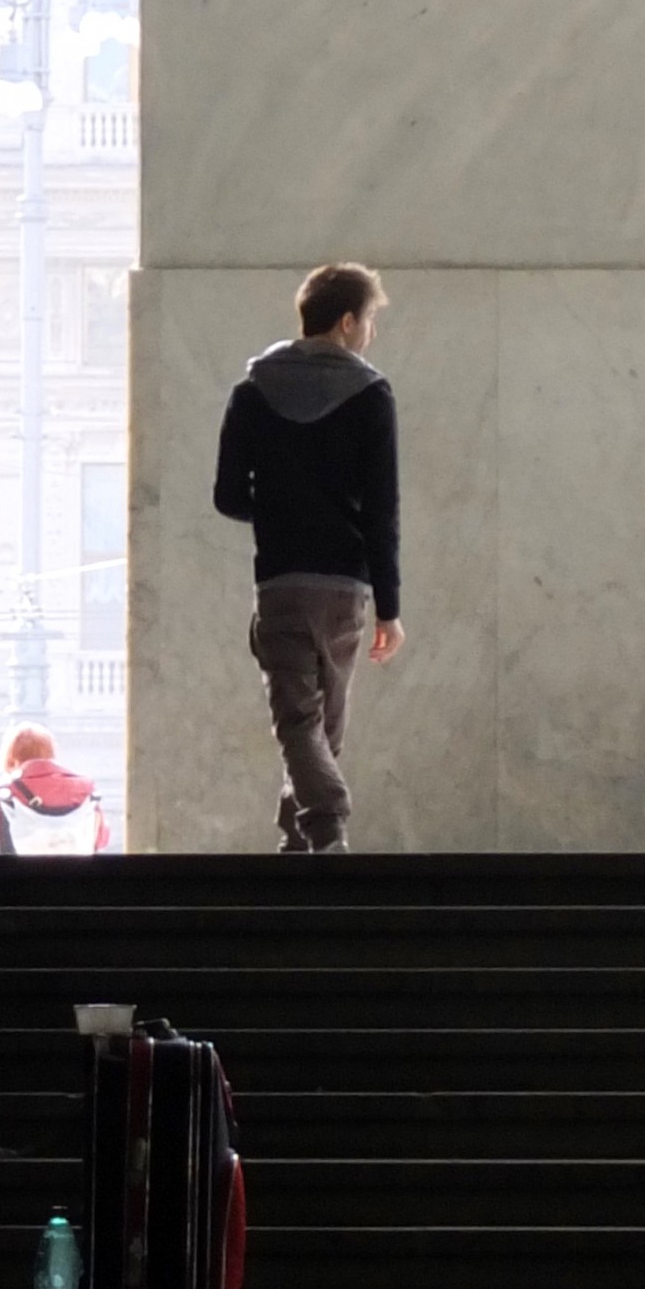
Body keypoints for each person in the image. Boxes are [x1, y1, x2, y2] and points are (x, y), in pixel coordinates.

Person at [213, 262, 403, 855]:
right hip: (345, 586)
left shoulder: (250, 393)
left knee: (302, 722)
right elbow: (382, 510)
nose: (370, 333)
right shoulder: (372, 395)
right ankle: (328, 823)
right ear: (346, 322)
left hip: (281, 582)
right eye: (368, 320)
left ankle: (299, 843)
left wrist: (279, 514)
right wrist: (390, 609)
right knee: (321, 725)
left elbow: (227, 496)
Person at [0, 721, 111, 855]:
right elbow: (101, 839)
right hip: (74, 869)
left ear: (11, 758)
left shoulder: (2, 792)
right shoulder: (86, 788)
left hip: (17, 869)